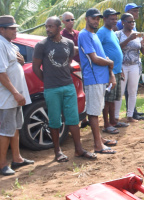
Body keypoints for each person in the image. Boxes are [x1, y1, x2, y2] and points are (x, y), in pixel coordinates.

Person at [32, 17, 96, 162]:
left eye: (51, 26)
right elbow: (36, 67)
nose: (48, 29)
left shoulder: (68, 43)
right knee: (54, 121)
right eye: (46, 26)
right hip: (52, 88)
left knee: (73, 119)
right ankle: (57, 152)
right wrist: (48, 80)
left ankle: (78, 150)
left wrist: (62, 77)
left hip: (68, 86)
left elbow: (67, 62)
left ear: (58, 27)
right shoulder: (41, 45)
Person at [0, 15, 34, 176]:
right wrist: (14, 92)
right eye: (11, 28)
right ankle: (2, 164)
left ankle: (17, 158)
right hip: (7, 95)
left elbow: (13, 64)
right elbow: (0, 72)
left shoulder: (8, 44)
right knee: (6, 129)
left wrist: (20, 62)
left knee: (15, 127)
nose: (15, 31)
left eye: (15, 28)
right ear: (2, 29)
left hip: (14, 94)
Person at [78, 8, 117, 155]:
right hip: (93, 78)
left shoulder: (93, 35)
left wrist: (110, 72)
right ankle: (98, 145)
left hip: (100, 77)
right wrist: (109, 64)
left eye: (98, 19)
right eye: (94, 18)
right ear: (87, 18)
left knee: (97, 110)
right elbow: (94, 59)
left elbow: (103, 57)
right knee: (93, 113)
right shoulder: (84, 35)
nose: (96, 21)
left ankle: (99, 139)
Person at [98, 8, 126, 133]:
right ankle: (106, 124)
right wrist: (108, 70)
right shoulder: (101, 32)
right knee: (107, 99)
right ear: (104, 19)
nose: (114, 21)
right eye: (111, 19)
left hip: (117, 70)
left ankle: (113, 121)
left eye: (115, 19)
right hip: (109, 72)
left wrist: (120, 69)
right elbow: (98, 51)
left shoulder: (112, 32)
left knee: (114, 98)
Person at [116, 3, 144, 121]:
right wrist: (129, 39)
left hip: (135, 65)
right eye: (129, 22)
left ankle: (130, 115)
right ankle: (116, 117)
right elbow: (117, 49)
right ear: (123, 22)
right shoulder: (117, 34)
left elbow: (143, 51)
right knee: (120, 92)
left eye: (133, 22)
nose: (132, 24)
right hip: (122, 66)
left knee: (133, 91)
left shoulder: (137, 34)